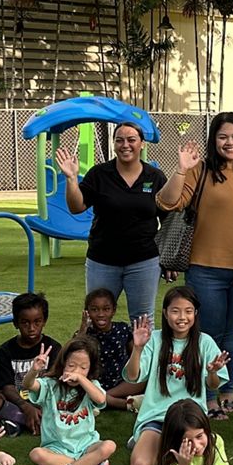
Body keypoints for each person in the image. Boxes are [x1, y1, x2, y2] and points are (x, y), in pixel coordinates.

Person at [158, 112, 233, 417]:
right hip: (205, 267)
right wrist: (180, 169)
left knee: (230, 333)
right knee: (210, 333)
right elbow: (167, 202)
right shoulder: (199, 171)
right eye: (223, 137)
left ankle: (228, 391)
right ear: (213, 141)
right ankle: (210, 395)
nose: (230, 143)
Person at [56, 123, 169, 321]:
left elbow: (167, 219)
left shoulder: (155, 177)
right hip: (102, 261)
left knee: (142, 320)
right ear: (114, 145)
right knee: (96, 319)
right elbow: (77, 206)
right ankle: (95, 353)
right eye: (119, 140)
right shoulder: (99, 174)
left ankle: (139, 354)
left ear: (142, 144)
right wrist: (71, 179)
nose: (125, 145)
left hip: (144, 261)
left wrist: (169, 260)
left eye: (131, 140)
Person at [124, 286, 230, 465]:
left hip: (189, 420)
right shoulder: (155, 339)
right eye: (175, 311)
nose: (182, 317)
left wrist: (213, 372)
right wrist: (138, 349)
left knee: (199, 462)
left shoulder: (204, 342)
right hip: (157, 416)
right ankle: (154, 441)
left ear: (195, 313)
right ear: (165, 313)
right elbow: (132, 377)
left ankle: (162, 445)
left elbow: (213, 385)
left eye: (188, 311)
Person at [22, 337, 117, 465]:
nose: (76, 371)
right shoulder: (50, 385)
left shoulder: (91, 386)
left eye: (83, 368)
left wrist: (81, 378)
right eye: (71, 365)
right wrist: (34, 370)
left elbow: (100, 399)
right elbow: (28, 385)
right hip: (56, 448)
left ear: (90, 369)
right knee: (36, 454)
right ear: (63, 363)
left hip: (87, 445)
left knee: (109, 446)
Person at [0, 292, 62, 436]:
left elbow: (54, 386)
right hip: (16, 402)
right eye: (25, 322)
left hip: (44, 402)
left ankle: (16, 423)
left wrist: (39, 406)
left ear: (44, 321)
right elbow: (7, 388)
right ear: (15, 323)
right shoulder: (5, 350)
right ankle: (25, 420)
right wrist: (25, 406)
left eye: (37, 322)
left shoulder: (53, 347)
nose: (31, 327)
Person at [75, 288, 144, 409]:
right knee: (76, 384)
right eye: (94, 310)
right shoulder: (86, 333)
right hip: (94, 382)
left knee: (142, 379)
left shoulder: (122, 329)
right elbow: (73, 356)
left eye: (106, 309)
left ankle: (101, 398)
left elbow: (135, 356)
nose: (101, 314)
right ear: (87, 312)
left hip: (120, 383)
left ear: (113, 310)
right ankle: (123, 404)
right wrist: (82, 329)